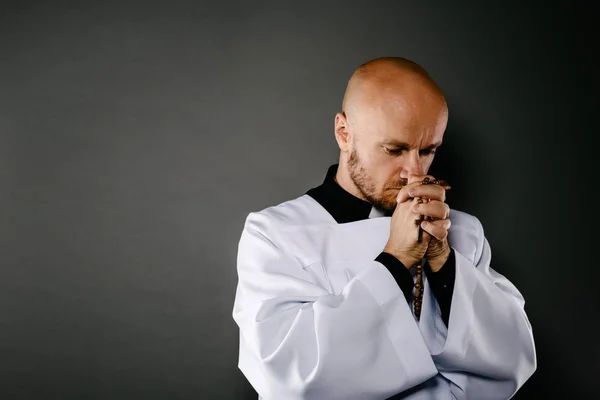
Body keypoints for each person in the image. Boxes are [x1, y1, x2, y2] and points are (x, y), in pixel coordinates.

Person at [232, 57, 536, 400]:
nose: (414, 172)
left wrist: (444, 263)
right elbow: (287, 374)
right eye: (395, 149)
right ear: (344, 133)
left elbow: (513, 359)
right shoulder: (275, 234)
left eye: (428, 150)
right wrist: (396, 259)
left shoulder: (462, 231)